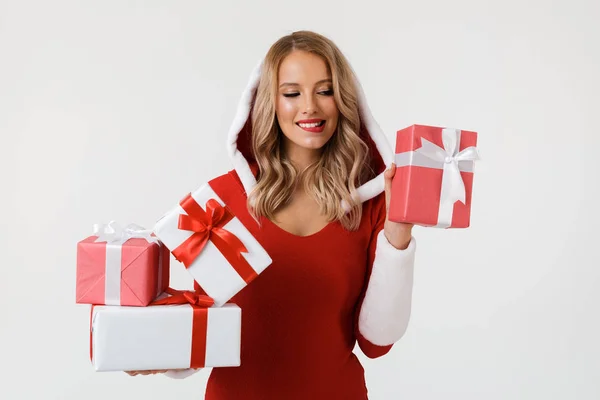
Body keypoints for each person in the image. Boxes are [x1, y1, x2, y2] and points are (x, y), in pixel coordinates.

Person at [129, 30, 417, 399]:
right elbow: (207, 324)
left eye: (325, 91)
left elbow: (377, 343)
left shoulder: (374, 203)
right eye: (292, 93)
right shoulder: (222, 199)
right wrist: (156, 351)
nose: (310, 107)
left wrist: (397, 236)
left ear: (345, 100)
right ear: (269, 102)